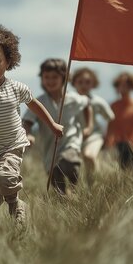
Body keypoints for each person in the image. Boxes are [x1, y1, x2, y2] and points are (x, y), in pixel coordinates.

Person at [0, 23, 63, 223]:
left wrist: (52, 125)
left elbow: (35, 106)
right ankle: (8, 204)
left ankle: (16, 204)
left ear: (8, 61)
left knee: (4, 177)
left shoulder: (17, 88)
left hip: (11, 145)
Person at [23, 59, 90, 195]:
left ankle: (76, 188)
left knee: (70, 162)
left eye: (55, 77)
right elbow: (27, 121)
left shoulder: (74, 98)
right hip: (50, 151)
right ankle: (68, 200)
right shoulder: (39, 101)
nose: (50, 81)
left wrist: (89, 126)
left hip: (70, 143)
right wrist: (28, 134)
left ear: (64, 78)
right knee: (59, 188)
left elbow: (87, 105)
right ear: (41, 79)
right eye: (46, 77)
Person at [71, 67, 115, 174]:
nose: (83, 85)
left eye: (87, 82)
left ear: (93, 84)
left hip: (94, 135)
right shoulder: (69, 101)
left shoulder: (97, 102)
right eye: (80, 82)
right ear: (74, 83)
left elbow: (110, 118)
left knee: (89, 155)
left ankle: (94, 185)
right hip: (74, 137)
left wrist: (109, 136)